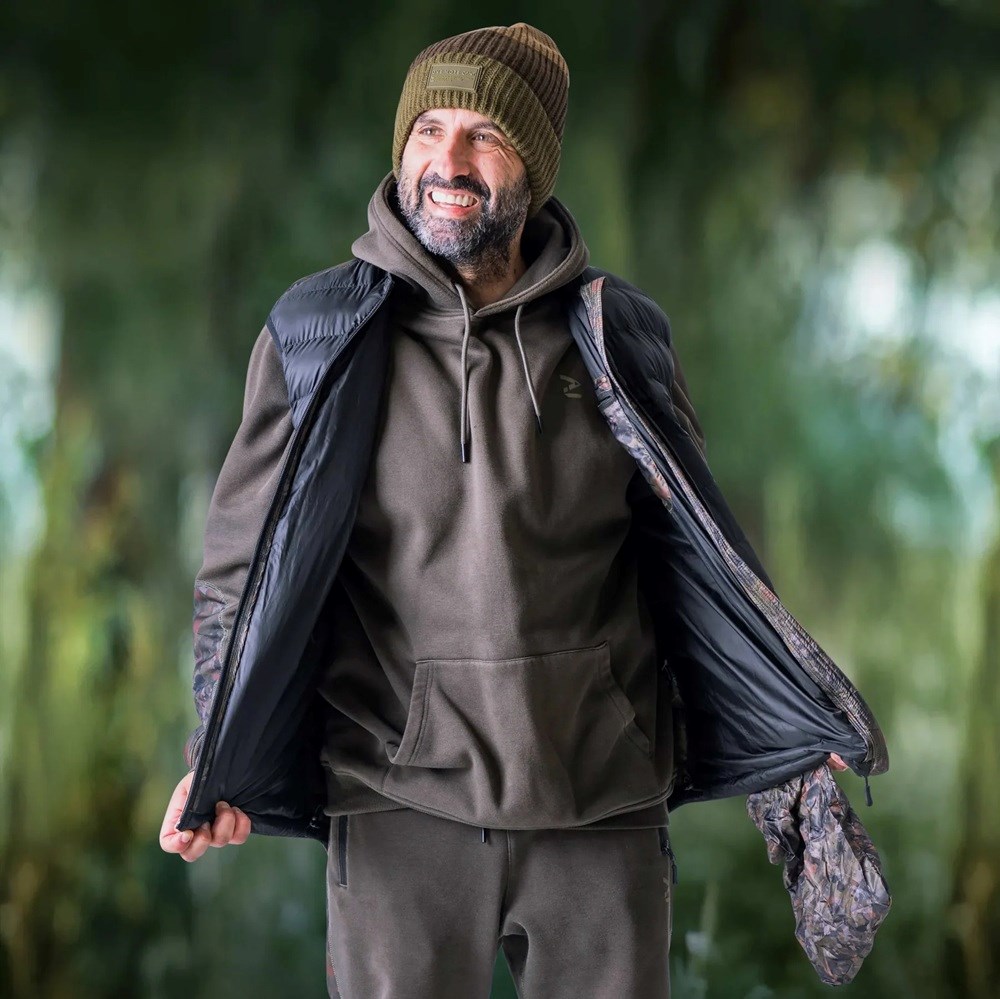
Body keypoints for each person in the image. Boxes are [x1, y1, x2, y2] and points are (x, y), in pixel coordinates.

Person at [159, 22, 882, 999]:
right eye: (429, 131)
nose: (448, 162)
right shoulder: (320, 333)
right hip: (395, 802)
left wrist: (787, 727)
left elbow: (696, 556)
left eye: (485, 136)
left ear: (533, 169)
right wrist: (214, 752)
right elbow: (241, 569)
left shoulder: (616, 335)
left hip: (601, 801)